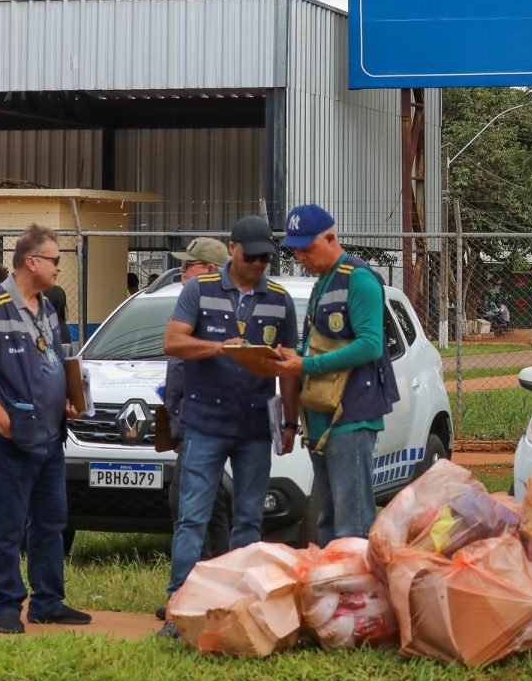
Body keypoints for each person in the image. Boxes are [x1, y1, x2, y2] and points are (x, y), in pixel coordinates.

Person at [160, 216, 298, 632]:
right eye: (252, 255)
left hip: (255, 424)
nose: (258, 264)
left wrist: (290, 424)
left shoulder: (279, 298)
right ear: (233, 248)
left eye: (265, 258)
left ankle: (239, 607)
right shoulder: (198, 290)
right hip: (205, 422)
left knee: (249, 520)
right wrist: (220, 348)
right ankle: (179, 609)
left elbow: (290, 365)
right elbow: (173, 342)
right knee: (192, 517)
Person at [0, 226, 89, 635]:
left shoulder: (47, 308)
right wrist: (0, 417)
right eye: (54, 260)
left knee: (51, 521)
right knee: (8, 523)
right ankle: (8, 604)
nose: (59, 267)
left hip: (50, 435)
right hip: (9, 439)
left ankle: (48, 602)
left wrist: (67, 398)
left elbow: (51, 361)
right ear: (31, 261)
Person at [265, 205, 397, 544]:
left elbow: (370, 345)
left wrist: (305, 365)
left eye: (307, 248)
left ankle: (352, 593)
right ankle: (331, 588)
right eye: (295, 249)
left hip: (351, 416)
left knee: (351, 523)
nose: (301, 256)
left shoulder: (360, 279)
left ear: (331, 238)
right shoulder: (322, 283)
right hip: (322, 415)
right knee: (327, 520)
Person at [160, 235, 233, 615]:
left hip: (200, 421)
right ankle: (209, 588)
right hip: (188, 420)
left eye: (187, 265)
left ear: (206, 270)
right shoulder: (194, 303)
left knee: (188, 505)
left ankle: (193, 594)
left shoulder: (211, 309)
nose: (181, 270)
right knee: (210, 504)